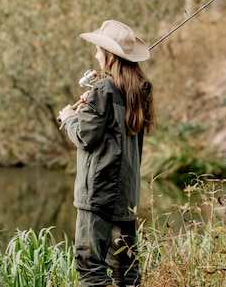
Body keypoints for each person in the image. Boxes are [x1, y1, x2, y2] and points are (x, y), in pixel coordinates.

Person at [58, 20, 156, 287]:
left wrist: (69, 118)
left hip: (98, 194)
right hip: (126, 197)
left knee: (91, 270)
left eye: (99, 51)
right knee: (127, 272)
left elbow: (84, 138)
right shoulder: (140, 91)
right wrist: (91, 107)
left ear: (110, 56)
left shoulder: (104, 90)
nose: (95, 55)